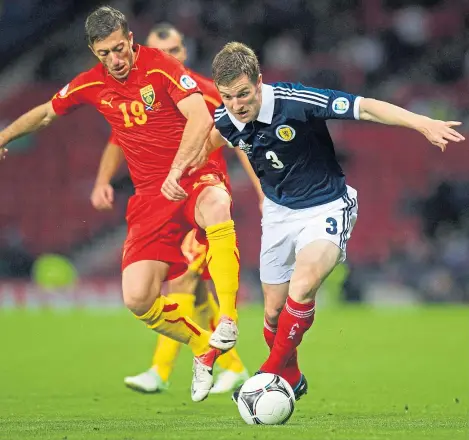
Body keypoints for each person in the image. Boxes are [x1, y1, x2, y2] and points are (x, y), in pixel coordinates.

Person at [191, 41, 465, 402]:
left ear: (259, 81)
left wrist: (421, 122)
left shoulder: (297, 101)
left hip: (326, 207)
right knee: (272, 314)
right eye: (227, 97)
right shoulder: (228, 119)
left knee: (301, 286)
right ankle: (291, 375)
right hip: (277, 214)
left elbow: (364, 108)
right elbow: (210, 139)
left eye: (243, 94)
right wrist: (180, 168)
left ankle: (267, 376)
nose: (237, 105)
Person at [0, 7, 243, 403]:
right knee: (137, 298)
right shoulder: (90, 84)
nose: (115, 59)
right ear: (94, 53)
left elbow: (200, 117)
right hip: (150, 196)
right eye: (105, 53)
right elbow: (46, 113)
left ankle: (229, 319)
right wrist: (4, 136)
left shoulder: (161, 66)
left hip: (194, 177)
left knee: (217, 204)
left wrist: (178, 168)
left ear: (130, 40)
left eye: (119, 48)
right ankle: (203, 346)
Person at [90, 23, 258, 394]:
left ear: (184, 51)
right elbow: (117, 140)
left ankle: (160, 371)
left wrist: (261, 190)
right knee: (195, 295)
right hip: (162, 204)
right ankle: (232, 366)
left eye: (178, 48)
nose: (172, 56)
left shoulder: (209, 92)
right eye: (164, 50)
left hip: (199, 201)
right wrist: (103, 180)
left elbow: (243, 136)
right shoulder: (139, 92)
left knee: (182, 282)